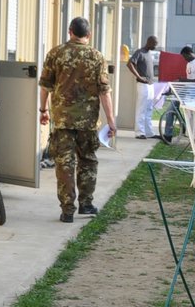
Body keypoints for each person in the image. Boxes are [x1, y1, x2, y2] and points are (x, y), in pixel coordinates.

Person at [40, 16, 116, 223]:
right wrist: (111, 120)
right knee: (87, 162)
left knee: (64, 164)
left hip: (62, 120)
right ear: (88, 35)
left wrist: (43, 110)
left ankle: (67, 210)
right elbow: (104, 91)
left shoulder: (55, 53)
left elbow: (45, 85)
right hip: (88, 122)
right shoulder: (97, 57)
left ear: (69, 31)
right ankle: (86, 204)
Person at [126, 34, 162, 139]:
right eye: (154, 44)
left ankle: (149, 132)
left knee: (149, 109)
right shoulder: (140, 52)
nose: (155, 46)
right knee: (141, 109)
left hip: (150, 85)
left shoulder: (149, 53)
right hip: (143, 85)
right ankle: (139, 132)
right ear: (149, 42)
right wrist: (139, 76)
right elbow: (130, 64)